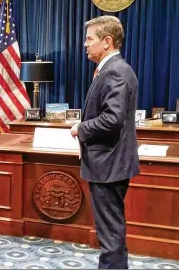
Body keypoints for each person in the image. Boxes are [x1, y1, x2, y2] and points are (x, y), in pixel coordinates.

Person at [71, 15, 139, 269]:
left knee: (109, 234)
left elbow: (112, 118)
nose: (85, 44)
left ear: (107, 41)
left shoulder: (115, 72)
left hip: (109, 165)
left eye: (90, 39)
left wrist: (81, 129)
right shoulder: (113, 69)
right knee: (113, 230)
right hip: (109, 163)